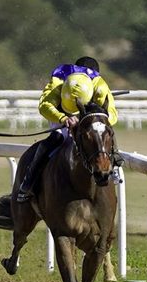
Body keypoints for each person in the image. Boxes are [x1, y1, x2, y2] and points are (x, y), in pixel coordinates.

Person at [12, 56, 118, 204]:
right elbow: (44, 106)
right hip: (60, 115)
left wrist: (94, 118)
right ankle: (28, 184)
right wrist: (63, 118)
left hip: (87, 119)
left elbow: (112, 114)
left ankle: (115, 164)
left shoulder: (100, 85)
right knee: (56, 139)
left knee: (103, 133)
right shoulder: (58, 81)